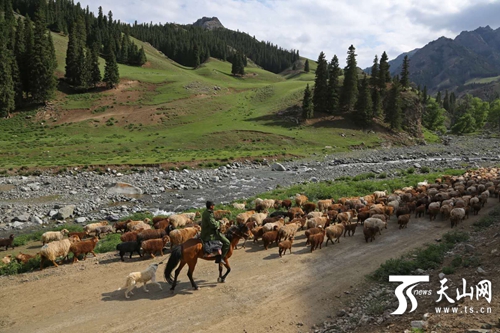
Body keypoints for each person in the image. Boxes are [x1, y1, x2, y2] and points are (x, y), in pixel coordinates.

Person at [200, 200, 230, 265]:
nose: (214, 206)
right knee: (227, 242)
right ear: (211, 206)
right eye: (213, 205)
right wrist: (219, 222)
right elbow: (213, 225)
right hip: (210, 234)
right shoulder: (209, 214)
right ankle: (221, 258)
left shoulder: (205, 212)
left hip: (206, 231)